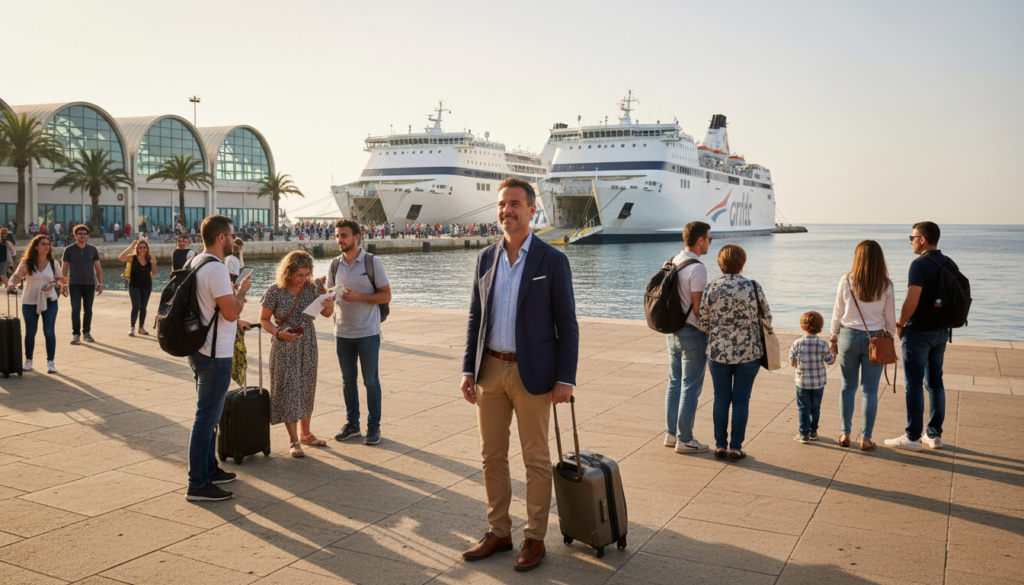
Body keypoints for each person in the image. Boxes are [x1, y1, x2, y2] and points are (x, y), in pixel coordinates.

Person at [460, 177, 579, 572]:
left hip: (534, 373)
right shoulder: (485, 257)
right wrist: (467, 369)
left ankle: (535, 537)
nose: (506, 210)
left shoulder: (552, 260)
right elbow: (476, 318)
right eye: (501, 204)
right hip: (489, 370)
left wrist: (565, 378)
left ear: (531, 210)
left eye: (514, 203)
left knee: (536, 459)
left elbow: (567, 324)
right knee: (491, 456)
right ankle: (499, 532)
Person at [184, 214, 251, 502]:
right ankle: (197, 483)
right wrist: (242, 293)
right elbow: (231, 312)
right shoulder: (217, 269)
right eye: (231, 235)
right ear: (221, 237)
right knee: (206, 418)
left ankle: (210, 469)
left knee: (209, 417)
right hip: (215, 354)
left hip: (200, 348)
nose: (234, 241)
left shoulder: (195, 262)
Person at [698, 244, 771, 461]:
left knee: (720, 398)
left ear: (720, 263)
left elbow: (703, 323)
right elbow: (766, 317)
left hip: (718, 353)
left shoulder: (711, 288)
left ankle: (720, 446)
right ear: (742, 263)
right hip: (749, 354)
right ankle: (736, 448)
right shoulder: (754, 287)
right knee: (741, 400)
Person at [260, 251, 334, 458]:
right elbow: (264, 320)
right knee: (289, 390)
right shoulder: (275, 291)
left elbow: (326, 314)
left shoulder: (312, 288)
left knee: (306, 387)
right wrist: (278, 333)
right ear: (288, 272)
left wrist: (329, 302)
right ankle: (293, 440)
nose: (303, 279)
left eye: (307, 274)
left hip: (308, 342)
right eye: (299, 275)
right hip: (284, 344)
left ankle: (306, 434)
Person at [886, 222, 953, 452]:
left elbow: (912, 300)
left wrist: (899, 322)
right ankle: (934, 436)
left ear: (922, 239)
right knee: (936, 383)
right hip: (942, 331)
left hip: (919, 333)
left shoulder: (919, 264)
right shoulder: (947, 261)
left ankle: (912, 437)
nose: (911, 241)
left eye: (912, 237)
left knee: (913, 384)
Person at [328, 218, 391, 446]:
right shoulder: (334, 265)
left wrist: (360, 297)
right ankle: (352, 424)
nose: (339, 240)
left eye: (344, 235)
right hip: (341, 333)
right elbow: (328, 307)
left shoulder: (372, 263)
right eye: (337, 236)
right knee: (348, 381)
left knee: (371, 381)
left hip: (368, 333)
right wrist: (322, 297)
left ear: (356, 237)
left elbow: (386, 296)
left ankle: (373, 426)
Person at [829, 240, 896, 451]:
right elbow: (890, 319)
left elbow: (837, 312)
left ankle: (844, 434)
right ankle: (866, 439)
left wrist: (833, 337)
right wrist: (890, 337)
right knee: (870, 391)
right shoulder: (886, 284)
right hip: (875, 339)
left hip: (847, 337)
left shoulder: (846, 280)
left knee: (847, 387)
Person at [664, 221, 712, 454]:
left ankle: (671, 435)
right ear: (700, 240)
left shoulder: (674, 260)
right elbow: (697, 308)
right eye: (709, 238)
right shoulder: (698, 268)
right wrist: (709, 330)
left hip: (672, 332)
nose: (710, 242)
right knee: (690, 388)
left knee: (674, 384)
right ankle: (685, 439)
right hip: (692, 334)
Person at [6, 235, 66, 374]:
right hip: (29, 301)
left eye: (48, 244)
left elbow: (61, 280)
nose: (47, 246)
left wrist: (53, 284)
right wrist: (12, 284)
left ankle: (50, 362)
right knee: (30, 332)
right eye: (43, 244)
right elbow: (16, 276)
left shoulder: (53, 263)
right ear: (36, 247)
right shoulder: (27, 262)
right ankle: (28, 360)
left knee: (49, 331)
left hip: (49, 301)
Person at [790, 311, 835, 444]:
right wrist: (833, 353)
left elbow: (792, 361)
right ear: (820, 328)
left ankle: (803, 434)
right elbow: (829, 361)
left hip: (802, 382)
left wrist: (798, 364)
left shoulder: (797, 343)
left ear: (802, 327)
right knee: (816, 408)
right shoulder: (822, 344)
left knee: (803, 407)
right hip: (818, 383)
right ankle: (813, 431)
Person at [61, 224, 102, 344]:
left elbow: (98, 268)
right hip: (74, 284)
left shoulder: (93, 250)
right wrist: (64, 285)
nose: (82, 236)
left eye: (85, 234)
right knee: (75, 310)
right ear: (75, 235)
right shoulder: (69, 250)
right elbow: (64, 269)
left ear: (88, 235)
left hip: (90, 284)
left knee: (88, 310)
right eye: (80, 233)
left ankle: (86, 333)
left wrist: (100, 284)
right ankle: (76, 334)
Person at [118, 237, 157, 337]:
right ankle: (132, 328)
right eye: (140, 247)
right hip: (134, 286)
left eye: (144, 247)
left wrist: (148, 276)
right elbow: (121, 257)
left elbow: (154, 272)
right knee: (136, 306)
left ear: (147, 249)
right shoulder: (132, 258)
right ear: (137, 248)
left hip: (147, 287)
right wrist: (131, 245)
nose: (142, 249)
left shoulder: (150, 260)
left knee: (143, 307)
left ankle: (141, 327)